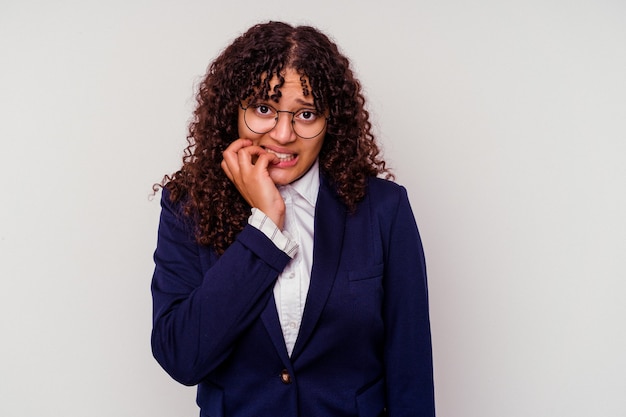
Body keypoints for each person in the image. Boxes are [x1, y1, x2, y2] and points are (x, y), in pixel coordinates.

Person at [151, 21, 435, 417]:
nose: (283, 134)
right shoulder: (188, 207)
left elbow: (411, 373)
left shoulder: (384, 210)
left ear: (329, 120)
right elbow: (182, 356)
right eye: (264, 109)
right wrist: (265, 225)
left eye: (306, 113)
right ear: (233, 109)